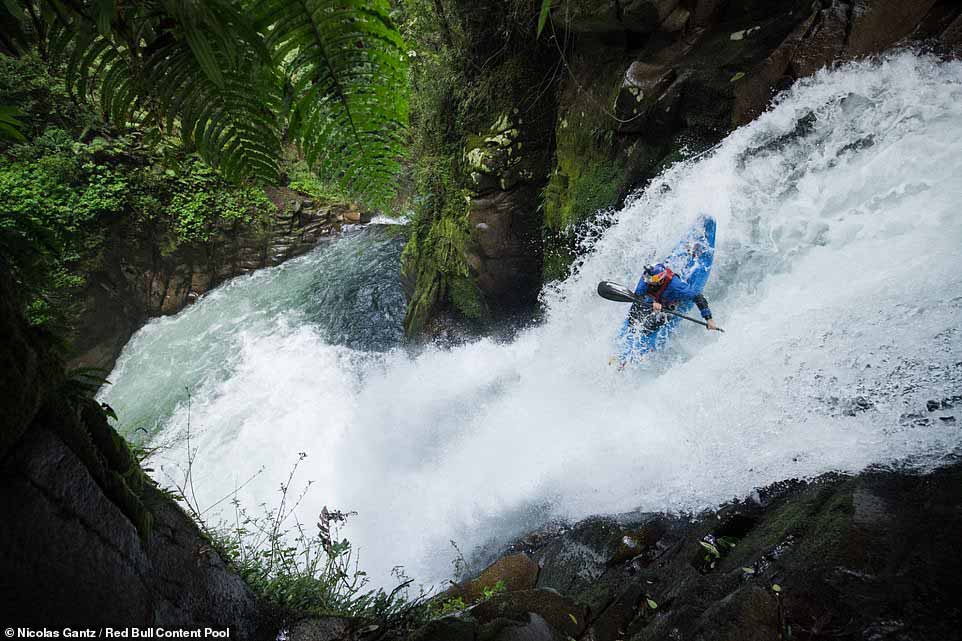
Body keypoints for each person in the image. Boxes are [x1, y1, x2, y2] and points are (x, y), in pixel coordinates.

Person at [628, 263, 718, 334]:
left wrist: (709, 319)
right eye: (647, 280)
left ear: (660, 280)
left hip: (669, 303)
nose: (648, 283)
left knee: (658, 320)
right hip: (654, 300)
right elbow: (638, 297)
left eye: (651, 281)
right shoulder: (645, 279)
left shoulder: (676, 285)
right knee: (636, 309)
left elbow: (698, 297)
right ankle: (630, 326)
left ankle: (648, 333)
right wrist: (652, 303)